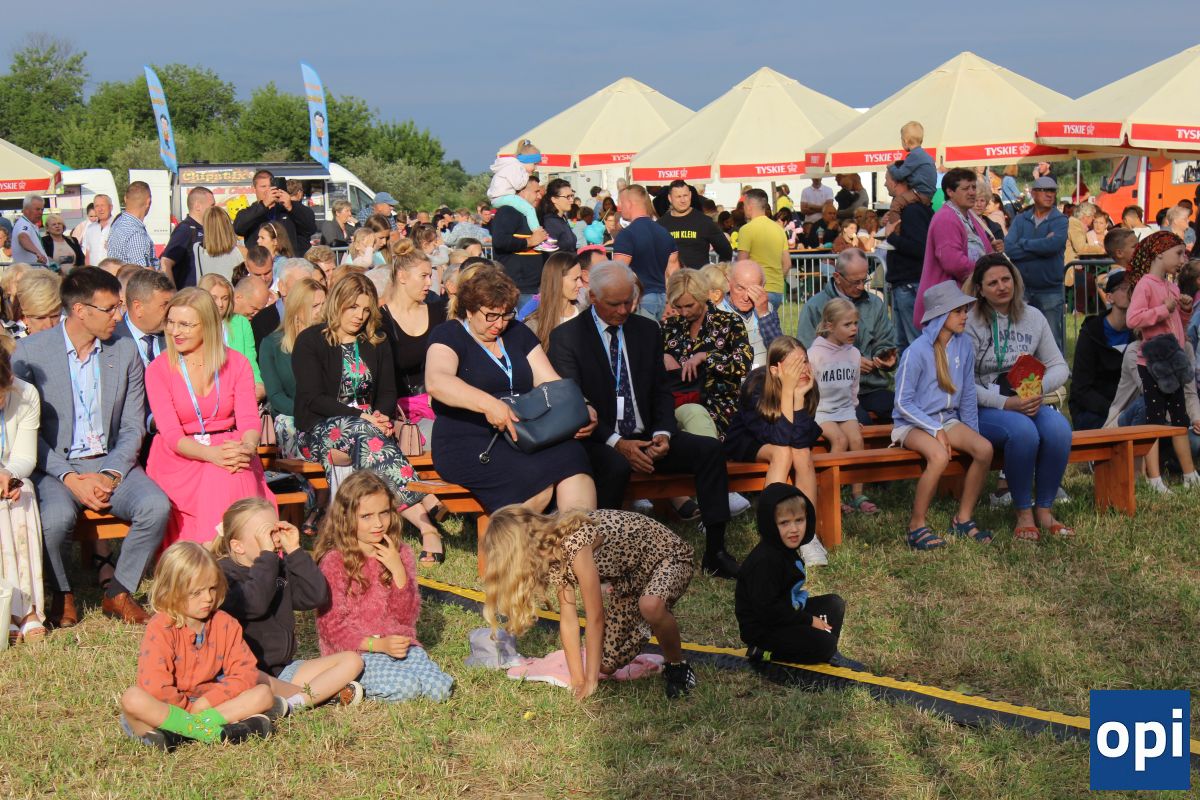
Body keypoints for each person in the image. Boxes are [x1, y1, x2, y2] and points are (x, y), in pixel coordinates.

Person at [548, 261, 738, 579]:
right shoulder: (568, 337)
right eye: (615, 304)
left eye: (629, 301)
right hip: (599, 439)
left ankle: (716, 551)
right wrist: (617, 443)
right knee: (615, 466)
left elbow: (661, 391)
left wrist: (664, 433)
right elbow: (573, 403)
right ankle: (603, 558)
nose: (624, 310)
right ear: (593, 297)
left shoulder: (646, 330)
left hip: (648, 435)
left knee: (710, 450)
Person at [14, 267, 169, 626]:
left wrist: (110, 473)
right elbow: (27, 433)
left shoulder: (124, 351)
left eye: (119, 306)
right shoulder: (31, 352)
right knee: (54, 520)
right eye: (110, 308)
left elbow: (132, 426)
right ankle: (62, 593)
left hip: (111, 461)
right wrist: (69, 478)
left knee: (155, 506)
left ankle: (119, 592)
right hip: (56, 466)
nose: (119, 316)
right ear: (80, 310)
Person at [293, 273, 445, 559]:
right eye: (353, 307)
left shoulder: (376, 341)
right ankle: (426, 511)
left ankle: (428, 529)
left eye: (365, 310)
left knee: (367, 440)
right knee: (363, 432)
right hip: (318, 429)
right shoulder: (310, 340)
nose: (359, 316)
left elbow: (387, 392)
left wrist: (380, 417)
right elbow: (314, 398)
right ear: (337, 302)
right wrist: (362, 417)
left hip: (369, 429)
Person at [426, 265, 596, 515]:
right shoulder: (449, 334)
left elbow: (551, 381)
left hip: (524, 432)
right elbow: (437, 381)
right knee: (535, 480)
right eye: (491, 315)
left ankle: (580, 534)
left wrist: (582, 406)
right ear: (470, 310)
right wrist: (488, 404)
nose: (499, 324)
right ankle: (512, 537)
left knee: (573, 456)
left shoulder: (517, 333)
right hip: (470, 438)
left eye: (506, 315)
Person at [483, 503, 696, 699]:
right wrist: (578, 680)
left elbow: (595, 616)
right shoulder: (551, 557)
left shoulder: (573, 542)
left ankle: (677, 666)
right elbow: (568, 619)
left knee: (650, 605)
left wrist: (591, 681)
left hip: (669, 557)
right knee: (605, 665)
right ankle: (650, 620)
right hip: (629, 581)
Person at [146, 289, 274, 549]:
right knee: (223, 472)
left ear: (207, 325)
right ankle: (218, 554)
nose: (175, 331)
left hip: (230, 448)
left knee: (234, 469)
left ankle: (241, 555)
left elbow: (249, 420)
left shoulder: (237, 364)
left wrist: (247, 448)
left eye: (185, 324)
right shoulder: (158, 369)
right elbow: (171, 435)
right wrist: (212, 455)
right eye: (171, 322)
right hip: (180, 456)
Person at [118, 542, 275, 749]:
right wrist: (186, 711)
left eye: (212, 588)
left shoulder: (225, 623)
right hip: (168, 710)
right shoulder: (160, 626)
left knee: (263, 693)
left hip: (211, 706)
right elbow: (155, 686)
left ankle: (182, 733)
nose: (208, 598)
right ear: (171, 592)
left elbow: (244, 673)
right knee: (132, 699)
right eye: (196, 592)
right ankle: (214, 732)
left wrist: (205, 703)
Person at [212, 497, 364, 711]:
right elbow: (255, 604)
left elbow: (316, 596)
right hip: (245, 673)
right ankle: (318, 695)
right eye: (265, 534)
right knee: (252, 678)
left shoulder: (277, 567)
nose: (275, 539)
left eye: (276, 530)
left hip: (282, 670)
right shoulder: (223, 575)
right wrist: (267, 557)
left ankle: (294, 702)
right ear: (237, 546)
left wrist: (294, 550)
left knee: (352, 661)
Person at [314, 472, 454, 702]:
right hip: (356, 651)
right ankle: (343, 687)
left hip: (397, 644)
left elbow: (406, 617)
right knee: (406, 688)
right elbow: (331, 627)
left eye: (384, 513)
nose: (378, 524)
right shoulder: (335, 561)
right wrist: (377, 644)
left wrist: (398, 570)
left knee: (439, 689)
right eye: (366, 516)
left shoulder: (401, 553)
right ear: (345, 517)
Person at [963, 255, 1073, 542]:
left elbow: (1059, 366)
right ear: (980, 289)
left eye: (1006, 279)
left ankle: (1045, 510)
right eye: (992, 283)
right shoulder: (969, 322)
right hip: (985, 405)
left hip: (1026, 398)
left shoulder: (1033, 316)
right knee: (1023, 432)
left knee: (1059, 429)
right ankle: (1023, 512)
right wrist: (1006, 403)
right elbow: (961, 383)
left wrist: (1036, 389)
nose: (1001, 287)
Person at [892, 281, 994, 550]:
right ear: (940, 315)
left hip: (947, 420)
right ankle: (916, 526)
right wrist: (933, 429)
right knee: (938, 455)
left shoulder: (964, 345)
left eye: (965, 310)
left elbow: (968, 394)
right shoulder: (916, 351)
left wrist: (972, 433)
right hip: (911, 423)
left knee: (984, 449)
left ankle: (963, 519)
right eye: (958, 311)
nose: (965, 316)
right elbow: (902, 403)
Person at [735, 483, 853, 666]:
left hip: (786, 613)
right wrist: (809, 620)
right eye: (784, 523)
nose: (794, 529)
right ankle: (764, 651)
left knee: (834, 604)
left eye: (799, 520)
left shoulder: (784, 548)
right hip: (764, 629)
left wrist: (807, 621)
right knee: (825, 643)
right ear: (770, 524)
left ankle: (824, 651)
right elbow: (768, 611)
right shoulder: (765, 561)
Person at [1126, 231, 1200, 492]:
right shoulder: (1145, 285)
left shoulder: (1172, 287)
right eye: (1178, 253)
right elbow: (1133, 319)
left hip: (1173, 361)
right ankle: (1154, 478)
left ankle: (1190, 474)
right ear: (1159, 253)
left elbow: (1178, 325)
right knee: (1155, 418)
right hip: (1152, 363)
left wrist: (1184, 310)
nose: (1182, 260)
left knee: (1179, 417)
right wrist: (1163, 309)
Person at [797, 249, 896, 423]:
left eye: (864, 280)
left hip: (871, 386)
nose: (861, 286)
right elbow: (806, 353)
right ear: (837, 277)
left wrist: (885, 357)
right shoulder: (815, 306)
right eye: (855, 281)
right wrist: (849, 362)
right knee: (861, 421)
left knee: (901, 409)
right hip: (831, 392)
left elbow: (885, 340)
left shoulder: (875, 304)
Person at [809, 299, 878, 514]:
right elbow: (809, 389)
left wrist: (854, 414)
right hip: (821, 410)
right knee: (839, 440)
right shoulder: (815, 354)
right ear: (830, 326)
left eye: (855, 323)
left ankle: (857, 494)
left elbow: (853, 387)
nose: (854, 329)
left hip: (845, 409)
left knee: (856, 439)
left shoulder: (854, 353)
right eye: (847, 324)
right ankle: (832, 495)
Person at [0, 346, 47, 645]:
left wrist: (9, 475)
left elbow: (26, 456)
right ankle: (6, 607)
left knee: (23, 493)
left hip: (7, 473)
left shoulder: (26, 393)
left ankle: (26, 608)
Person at [378, 247, 446, 452]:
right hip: (400, 414)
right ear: (402, 276)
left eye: (431, 276)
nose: (429, 283)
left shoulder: (439, 312)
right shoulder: (380, 320)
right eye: (424, 276)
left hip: (440, 405)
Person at [914, 168, 1001, 327]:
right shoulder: (946, 218)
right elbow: (953, 262)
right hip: (948, 304)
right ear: (950, 191)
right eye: (966, 188)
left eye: (973, 187)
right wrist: (986, 272)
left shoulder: (968, 216)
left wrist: (992, 251)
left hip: (961, 300)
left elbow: (979, 251)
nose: (972, 192)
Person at [260, 278, 325, 459]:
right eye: (315, 306)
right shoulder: (272, 344)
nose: (321, 311)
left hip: (327, 411)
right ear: (297, 308)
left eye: (324, 304)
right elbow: (275, 395)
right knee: (289, 426)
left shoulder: (329, 339)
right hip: (290, 413)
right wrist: (307, 412)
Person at [1004, 175, 1069, 353]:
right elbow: (1009, 248)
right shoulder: (1020, 219)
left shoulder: (1060, 220)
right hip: (1022, 289)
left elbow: (1053, 246)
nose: (1049, 194)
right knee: (1021, 340)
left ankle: (1056, 371)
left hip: (1050, 290)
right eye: (1043, 190)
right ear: (1033, 193)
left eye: (1052, 191)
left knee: (1052, 340)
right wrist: (1041, 247)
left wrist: (1023, 243)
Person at [1071, 269, 1132, 431]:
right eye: (1124, 287)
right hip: (1093, 410)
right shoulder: (1091, 333)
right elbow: (1081, 389)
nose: (1131, 292)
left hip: (1129, 407)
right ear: (1109, 297)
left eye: (1134, 287)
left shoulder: (1139, 333)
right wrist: (1114, 410)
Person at [612, 185, 680, 321]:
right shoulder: (664, 233)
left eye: (621, 203)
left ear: (629, 203)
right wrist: (672, 302)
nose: (620, 207)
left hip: (640, 300)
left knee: (641, 335)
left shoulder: (627, 235)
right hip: (663, 299)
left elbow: (617, 273)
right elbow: (674, 272)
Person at [882, 173, 933, 350]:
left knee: (915, 344)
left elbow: (920, 248)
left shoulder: (912, 211)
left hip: (910, 284)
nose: (884, 184)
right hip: (906, 285)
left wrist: (892, 237)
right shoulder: (910, 210)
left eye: (887, 179)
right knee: (904, 344)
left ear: (897, 182)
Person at [198, 274, 267, 401]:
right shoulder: (194, 325)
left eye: (224, 298)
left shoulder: (241, 323)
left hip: (240, 390)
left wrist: (259, 385)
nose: (220, 304)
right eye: (214, 298)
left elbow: (250, 361)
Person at [491, 176, 549, 304]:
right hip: (517, 288)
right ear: (522, 192)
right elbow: (500, 240)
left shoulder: (530, 214)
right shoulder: (508, 211)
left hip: (533, 287)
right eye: (536, 192)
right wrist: (529, 241)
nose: (539, 196)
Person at [715, 260, 782, 370]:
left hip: (764, 377)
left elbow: (779, 352)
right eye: (740, 288)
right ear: (728, 282)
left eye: (753, 290)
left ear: (763, 286)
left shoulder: (767, 308)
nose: (746, 297)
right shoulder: (717, 313)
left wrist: (764, 314)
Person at [233, 169, 314, 256]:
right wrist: (263, 205)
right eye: (263, 186)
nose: (268, 190)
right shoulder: (250, 212)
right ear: (254, 189)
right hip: (260, 260)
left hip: (288, 261)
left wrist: (290, 207)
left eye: (270, 186)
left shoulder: (288, 208)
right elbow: (238, 228)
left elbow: (310, 228)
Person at [656, 180, 733, 269]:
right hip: (672, 277)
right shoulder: (661, 225)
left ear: (690, 195)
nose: (683, 200)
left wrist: (719, 272)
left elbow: (726, 251)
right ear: (670, 198)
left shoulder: (704, 222)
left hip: (699, 276)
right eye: (678, 196)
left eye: (685, 195)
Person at [488, 140, 551, 246]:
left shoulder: (512, 166)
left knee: (526, 209)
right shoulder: (514, 167)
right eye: (534, 164)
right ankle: (538, 233)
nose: (535, 168)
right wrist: (526, 175)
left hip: (500, 197)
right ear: (527, 161)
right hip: (502, 197)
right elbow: (518, 185)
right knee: (529, 209)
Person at [736, 189, 789, 309]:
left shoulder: (746, 230)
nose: (743, 208)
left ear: (749, 206)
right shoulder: (779, 229)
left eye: (744, 205)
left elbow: (742, 264)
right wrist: (777, 280)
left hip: (755, 291)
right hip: (777, 290)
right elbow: (787, 263)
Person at [523, 252, 583, 349]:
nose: (580, 284)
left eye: (580, 278)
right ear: (557, 280)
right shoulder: (534, 325)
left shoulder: (587, 315)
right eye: (575, 279)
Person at [160, 187, 216, 288]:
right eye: (212, 205)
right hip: (190, 294)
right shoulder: (185, 229)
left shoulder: (207, 228)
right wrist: (172, 293)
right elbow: (166, 262)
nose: (214, 209)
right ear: (197, 206)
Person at [251, 259, 313, 349]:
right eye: (299, 285)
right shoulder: (262, 322)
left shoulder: (318, 315)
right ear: (282, 287)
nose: (306, 290)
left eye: (310, 285)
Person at [886, 121, 936, 213]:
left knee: (896, 203)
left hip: (920, 192)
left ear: (905, 141)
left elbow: (899, 175)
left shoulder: (914, 156)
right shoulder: (925, 155)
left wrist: (891, 167)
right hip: (929, 194)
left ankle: (894, 221)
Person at [106, 182, 158, 269]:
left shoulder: (118, 222)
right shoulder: (136, 233)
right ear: (148, 202)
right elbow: (144, 273)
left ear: (125, 198)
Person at [190, 206, 244, 284]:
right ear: (228, 224)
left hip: (206, 291)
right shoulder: (240, 251)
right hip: (232, 291)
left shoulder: (197, 248)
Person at [12, 269, 62, 338]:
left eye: (54, 316)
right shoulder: (11, 342)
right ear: (25, 317)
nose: (49, 326)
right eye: (40, 318)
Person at [539, 178, 578, 255]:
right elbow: (550, 254)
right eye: (567, 197)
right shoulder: (550, 222)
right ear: (554, 199)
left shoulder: (561, 218)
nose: (571, 200)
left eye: (572, 196)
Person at [11, 195, 49, 267]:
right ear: (26, 210)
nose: (41, 212)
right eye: (37, 209)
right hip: (28, 271)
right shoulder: (23, 223)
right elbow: (23, 237)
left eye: (42, 210)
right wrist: (37, 252)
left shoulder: (31, 224)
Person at [82, 194, 116, 265]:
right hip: (94, 270)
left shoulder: (118, 226)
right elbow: (87, 254)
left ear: (111, 207)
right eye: (97, 206)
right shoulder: (90, 228)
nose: (100, 209)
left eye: (103, 205)